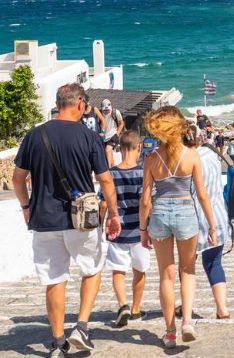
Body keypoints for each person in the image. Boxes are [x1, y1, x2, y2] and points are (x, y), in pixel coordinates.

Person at [12, 83, 122, 357]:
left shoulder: (35, 136)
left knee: (54, 279)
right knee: (92, 270)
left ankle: (58, 340)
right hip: (82, 219)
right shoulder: (89, 137)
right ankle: (82, 327)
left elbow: (17, 178)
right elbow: (105, 179)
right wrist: (114, 213)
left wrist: (26, 205)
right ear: (81, 104)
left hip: (45, 219)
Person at [139, 106, 217, 349]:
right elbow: (202, 195)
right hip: (185, 212)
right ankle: (187, 322)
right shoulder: (192, 156)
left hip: (160, 214)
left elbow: (145, 199)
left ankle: (170, 332)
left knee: (166, 274)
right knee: (188, 271)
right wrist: (212, 225)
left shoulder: (151, 159)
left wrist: (143, 229)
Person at [99, 130, 149, 329]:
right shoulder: (142, 173)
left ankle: (123, 305)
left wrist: (103, 224)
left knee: (118, 271)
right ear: (139, 147)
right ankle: (136, 309)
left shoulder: (110, 174)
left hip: (117, 232)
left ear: (119, 148)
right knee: (140, 271)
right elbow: (146, 202)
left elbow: (103, 203)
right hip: (139, 232)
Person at [188, 126, 231, 320]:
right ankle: (222, 308)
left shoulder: (190, 160)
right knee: (214, 263)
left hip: (196, 219)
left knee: (187, 266)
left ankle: (186, 306)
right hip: (219, 215)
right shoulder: (211, 154)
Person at [100, 99, 125, 167]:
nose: (106, 112)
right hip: (104, 136)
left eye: (107, 110)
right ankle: (113, 168)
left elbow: (121, 123)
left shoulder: (116, 112)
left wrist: (117, 133)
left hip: (113, 134)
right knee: (109, 153)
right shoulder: (99, 113)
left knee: (108, 150)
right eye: (104, 110)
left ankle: (108, 169)